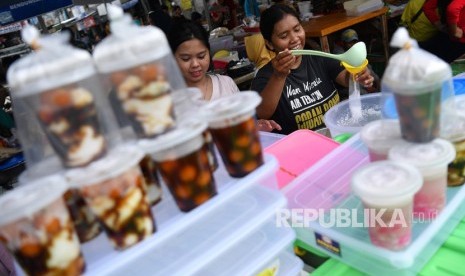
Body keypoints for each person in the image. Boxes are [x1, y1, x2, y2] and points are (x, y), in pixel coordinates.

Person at [250, 4, 376, 135]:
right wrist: (279, 76)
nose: (294, 39)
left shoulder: (318, 58)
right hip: (301, 148)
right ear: (269, 43)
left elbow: (345, 78)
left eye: (297, 29)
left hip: (336, 137)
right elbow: (262, 112)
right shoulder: (265, 76)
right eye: (283, 36)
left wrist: (358, 74)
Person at [168, 20, 281, 131]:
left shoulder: (226, 84)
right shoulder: (169, 100)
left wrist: (257, 126)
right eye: (186, 59)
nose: (195, 64)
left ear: (209, 52)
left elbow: (244, 124)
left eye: (201, 56)